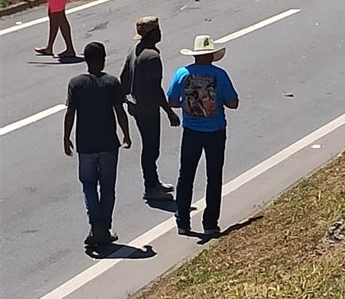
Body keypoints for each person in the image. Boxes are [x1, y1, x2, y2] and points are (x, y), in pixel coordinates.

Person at [167, 35, 239, 236]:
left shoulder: (182, 74)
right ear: (211, 55)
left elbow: (171, 100)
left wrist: (187, 104)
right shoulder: (220, 75)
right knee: (213, 176)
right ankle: (210, 223)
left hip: (191, 131)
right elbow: (233, 103)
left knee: (186, 175)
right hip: (215, 130)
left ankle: (182, 220)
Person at [64, 42, 132, 246]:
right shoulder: (111, 82)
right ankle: (105, 226)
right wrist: (126, 134)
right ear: (103, 58)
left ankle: (96, 226)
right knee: (108, 186)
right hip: (109, 143)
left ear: (85, 60)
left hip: (85, 145)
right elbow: (120, 111)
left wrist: (66, 137)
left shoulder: (75, 83)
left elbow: (70, 113)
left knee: (89, 186)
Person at [120, 17, 180, 202]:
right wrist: (169, 112)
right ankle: (150, 187)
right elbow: (156, 88)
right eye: (157, 30)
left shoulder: (134, 51)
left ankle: (153, 181)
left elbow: (123, 78)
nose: (160, 32)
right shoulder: (152, 56)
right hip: (148, 108)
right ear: (152, 33)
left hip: (136, 106)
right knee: (151, 148)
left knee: (149, 146)